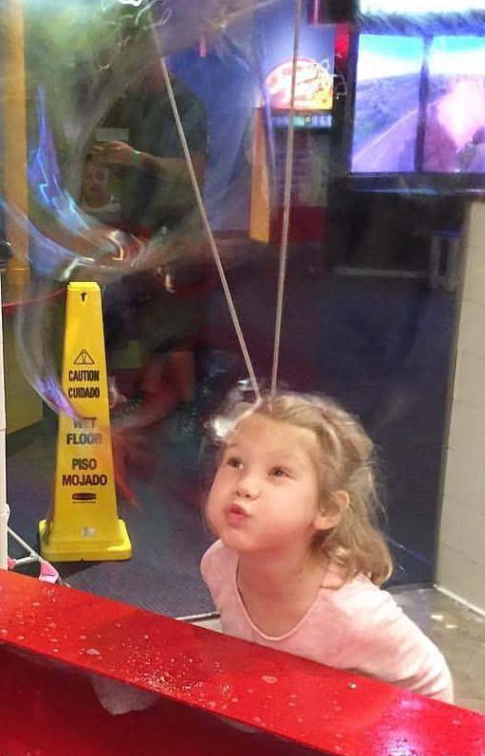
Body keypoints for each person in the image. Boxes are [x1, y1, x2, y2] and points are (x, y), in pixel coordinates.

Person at [201, 391, 454, 702]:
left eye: (278, 472)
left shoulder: (355, 613)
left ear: (327, 510)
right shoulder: (218, 565)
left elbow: (431, 681)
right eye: (235, 462)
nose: (245, 486)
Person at [92, 59, 210, 430]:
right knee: (154, 317)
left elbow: (192, 172)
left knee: (169, 323)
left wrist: (136, 159)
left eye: (138, 66)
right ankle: (151, 393)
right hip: (147, 228)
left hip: (172, 228)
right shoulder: (147, 104)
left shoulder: (186, 107)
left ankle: (189, 409)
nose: (133, 76)